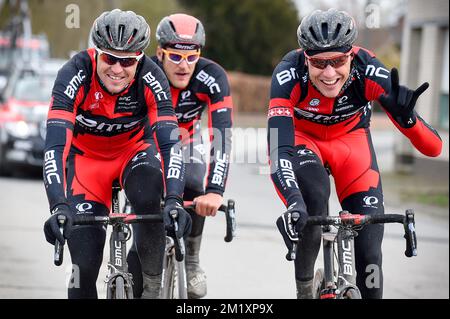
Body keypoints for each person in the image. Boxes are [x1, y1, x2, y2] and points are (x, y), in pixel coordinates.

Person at [268, 8, 442, 299]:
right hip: (304, 143)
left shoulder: (369, 70)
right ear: (305, 57)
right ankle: (304, 290)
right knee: (311, 201)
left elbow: (434, 148)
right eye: (318, 63)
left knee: (371, 256)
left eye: (337, 61)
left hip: (352, 145)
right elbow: (278, 149)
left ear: (350, 55)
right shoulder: (288, 73)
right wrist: (292, 202)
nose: (329, 73)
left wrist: (408, 119)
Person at [43, 9, 191, 299]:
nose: (117, 68)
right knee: (83, 267)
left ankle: (151, 288)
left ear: (139, 60)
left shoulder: (152, 76)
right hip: (87, 163)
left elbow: (171, 144)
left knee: (150, 196)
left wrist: (174, 199)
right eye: (109, 58)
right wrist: (58, 206)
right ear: (96, 53)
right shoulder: (74, 73)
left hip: (133, 153)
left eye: (127, 61)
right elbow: (55, 147)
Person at [126, 13, 233, 299]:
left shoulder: (212, 77)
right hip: (144, 140)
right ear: (160, 52)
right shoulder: (143, 71)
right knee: (146, 197)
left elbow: (221, 135)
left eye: (191, 56)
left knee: (195, 179)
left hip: (185, 140)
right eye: (175, 57)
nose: (184, 66)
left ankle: (193, 258)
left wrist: (215, 190)